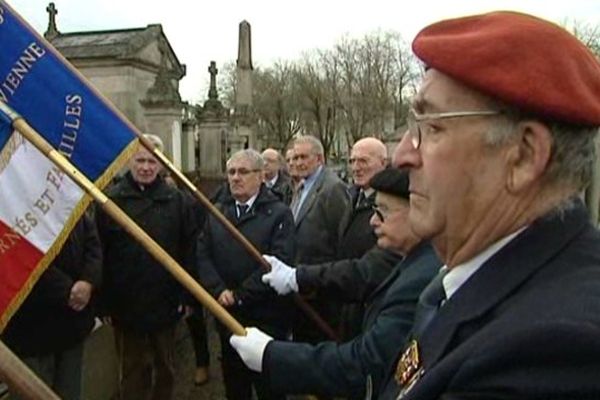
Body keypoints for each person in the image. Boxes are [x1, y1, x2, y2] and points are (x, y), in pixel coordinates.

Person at [377, 11, 600, 399]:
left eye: (432, 127)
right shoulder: (476, 278)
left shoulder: (552, 352)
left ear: (524, 156)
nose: (401, 157)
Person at [229, 168, 441, 398]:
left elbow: (365, 363)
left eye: (383, 212)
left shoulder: (419, 280)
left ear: (419, 210)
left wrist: (271, 355)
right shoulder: (409, 257)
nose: (373, 221)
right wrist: (297, 277)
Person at [96, 134, 198, 400]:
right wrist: (103, 302)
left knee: (166, 368)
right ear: (130, 161)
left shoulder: (177, 201)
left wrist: (188, 296)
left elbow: (189, 249)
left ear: (161, 164)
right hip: (125, 302)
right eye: (140, 160)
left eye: (152, 161)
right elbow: (100, 253)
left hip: (166, 300)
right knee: (131, 370)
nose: (145, 167)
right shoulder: (111, 201)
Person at [197, 149, 295, 400]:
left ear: (260, 176)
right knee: (234, 383)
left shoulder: (279, 213)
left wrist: (240, 295)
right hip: (227, 314)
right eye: (231, 172)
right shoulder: (217, 211)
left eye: (243, 172)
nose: (236, 178)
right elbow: (202, 253)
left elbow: (278, 261)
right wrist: (218, 290)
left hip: (266, 315)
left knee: (269, 386)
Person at [2, 211, 102, 400]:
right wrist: (68, 290)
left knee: (70, 392)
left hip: (72, 325)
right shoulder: (13, 205)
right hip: (32, 332)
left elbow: (93, 244)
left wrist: (88, 280)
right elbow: (20, 258)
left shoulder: (63, 197)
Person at [289, 135, 351, 342]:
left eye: (304, 157)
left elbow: (341, 238)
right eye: (295, 157)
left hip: (322, 288)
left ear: (319, 159)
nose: (298, 162)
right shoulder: (301, 187)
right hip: (302, 284)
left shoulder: (333, 188)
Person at [337, 137, 389, 339]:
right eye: (352, 161)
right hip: (349, 300)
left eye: (363, 161)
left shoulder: (391, 203)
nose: (356, 167)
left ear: (383, 163)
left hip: (374, 302)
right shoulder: (352, 197)